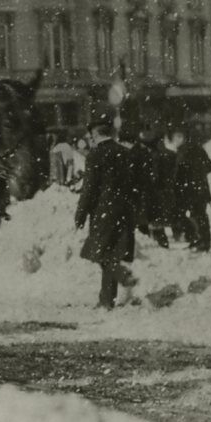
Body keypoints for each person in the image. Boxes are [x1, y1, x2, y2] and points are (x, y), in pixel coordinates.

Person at [74, 114, 140, 309]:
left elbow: (90, 188)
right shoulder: (126, 153)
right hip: (124, 211)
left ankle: (120, 275)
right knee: (110, 253)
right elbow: (135, 184)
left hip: (103, 211)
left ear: (95, 134)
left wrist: (81, 214)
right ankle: (106, 299)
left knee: (102, 253)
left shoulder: (95, 155)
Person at [168, 122, 211, 252]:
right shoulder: (198, 149)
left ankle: (196, 239)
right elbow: (210, 166)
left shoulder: (182, 152)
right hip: (200, 189)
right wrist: (199, 175)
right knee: (200, 215)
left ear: (183, 137)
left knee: (179, 215)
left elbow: (179, 173)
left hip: (187, 190)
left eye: (178, 137)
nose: (175, 140)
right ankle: (203, 241)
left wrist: (175, 185)